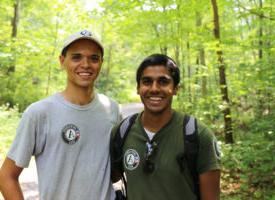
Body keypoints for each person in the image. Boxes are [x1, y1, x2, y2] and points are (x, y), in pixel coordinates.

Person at [0, 30, 121, 200]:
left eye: (94, 58)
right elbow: (6, 176)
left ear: (101, 63)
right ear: (62, 61)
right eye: (76, 57)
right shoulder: (40, 113)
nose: (86, 64)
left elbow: (114, 171)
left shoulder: (112, 109)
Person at [111, 54, 221, 200]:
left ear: (176, 88)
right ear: (138, 88)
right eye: (147, 81)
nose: (154, 88)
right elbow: (110, 178)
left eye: (163, 81)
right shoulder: (122, 132)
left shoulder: (198, 135)